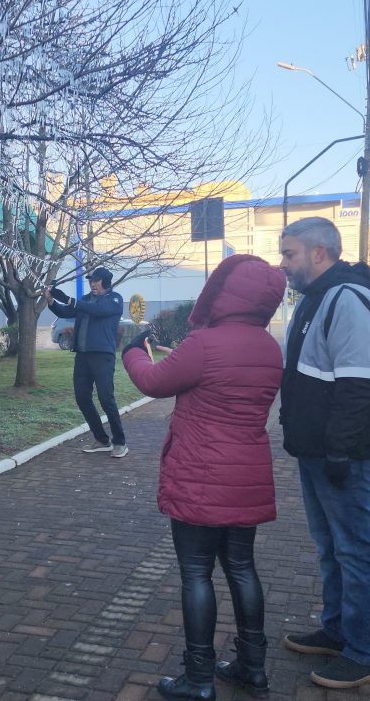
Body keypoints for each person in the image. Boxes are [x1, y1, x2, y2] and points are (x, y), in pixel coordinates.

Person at [121, 254, 287, 700]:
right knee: (241, 567)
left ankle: (198, 679)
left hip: (200, 473)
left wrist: (132, 352)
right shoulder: (269, 346)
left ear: (223, 291)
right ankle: (253, 667)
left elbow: (155, 382)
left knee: (195, 573)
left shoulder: (206, 343)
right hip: (246, 473)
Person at [277, 217, 370, 690]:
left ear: (319, 253)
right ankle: (336, 630)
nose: (283, 264)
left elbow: (362, 384)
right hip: (318, 452)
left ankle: (364, 652)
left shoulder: (347, 300)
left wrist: (340, 452)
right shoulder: (319, 299)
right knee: (331, 549)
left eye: (290, 254)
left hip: (342, 455)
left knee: (355, 550)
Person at [46, 267, 128, 457]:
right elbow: (66, 312)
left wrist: (68, 298)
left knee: (106, 399)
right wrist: (51, 300)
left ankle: (120, 442)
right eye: (91, 280)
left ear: (105, 282)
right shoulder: (84, 300)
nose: (92, 283)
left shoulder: (114, 299)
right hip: (82, 356)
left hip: (102, 356)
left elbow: (97, 310)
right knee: (82, 397)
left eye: (96, 280)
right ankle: (101, 439)